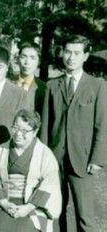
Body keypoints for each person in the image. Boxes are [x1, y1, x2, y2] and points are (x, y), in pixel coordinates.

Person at [40, 34, 107, 232]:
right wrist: (44, 157)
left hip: (83, 160)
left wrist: (97, 159)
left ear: (85, 56)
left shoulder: (98, 86)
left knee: (85, 217)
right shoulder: (52, 85)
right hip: (55, 159)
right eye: (68, 52)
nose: (71, 57)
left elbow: (102, 125)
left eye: (77, 53)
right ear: (62, 53)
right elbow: (45, 125)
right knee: (55, 212)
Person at [0, 110, 61, 232]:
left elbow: (50, 184)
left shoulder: (44, 153)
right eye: (15, 128)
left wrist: (28, 207)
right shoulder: (2, 149)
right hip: (6, 203)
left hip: (34, 206)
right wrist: (4, 203)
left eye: (25, 131)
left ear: (35, 131)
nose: (18, 134)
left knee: (25, 229)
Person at [12, 41, 46, 115]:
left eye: (32, 58)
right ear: (18, 59)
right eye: (23, 57)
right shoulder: (7, 83)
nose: (27, 62)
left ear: (38, 61)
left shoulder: (44, 88)